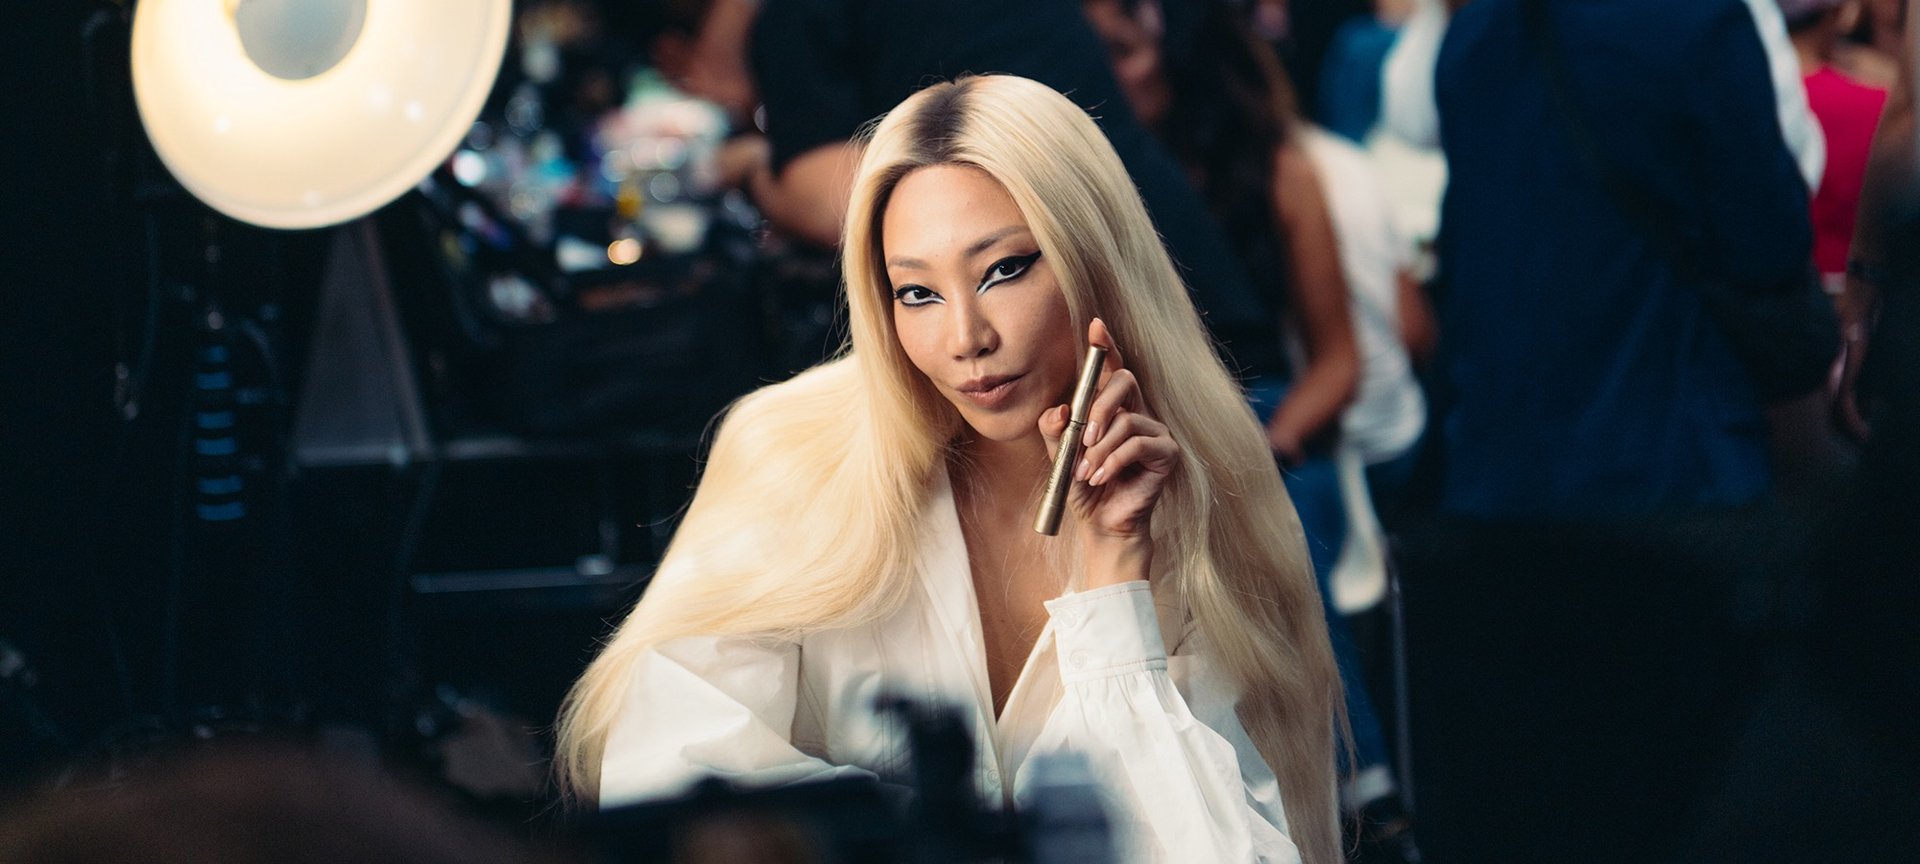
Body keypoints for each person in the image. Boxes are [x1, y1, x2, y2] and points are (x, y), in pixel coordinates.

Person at [555, 75, 1343, 864]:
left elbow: (1217, 849)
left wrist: (1113, 600)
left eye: (1004, 270)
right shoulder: (792, 453)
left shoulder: (1197, 493)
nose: (966, 337)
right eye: (918, 292)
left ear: (1096, 260)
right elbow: (672, 773)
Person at [1403, 0, 1819, 860]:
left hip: (1502, 494)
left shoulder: (1478, 33)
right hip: (1674, 479)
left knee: (1547, 810)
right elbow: (1768, 240)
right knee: (1684, 806)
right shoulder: (1698, 22)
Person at [1081, 5, 1427, 858]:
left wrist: (1251, 449)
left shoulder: (1280, 172)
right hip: (1139, 413)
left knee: (1276, 504)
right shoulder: (1094, 189)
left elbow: (1338, 363)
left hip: (1264, 415)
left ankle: (1361, 785)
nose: (1102, 76)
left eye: (1120, 53)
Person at [1783, 0, 1892, 300]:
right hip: (1857, 297)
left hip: (1762, 303)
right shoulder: (1879, 108)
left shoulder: (1734, 101)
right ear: (1840, 12)